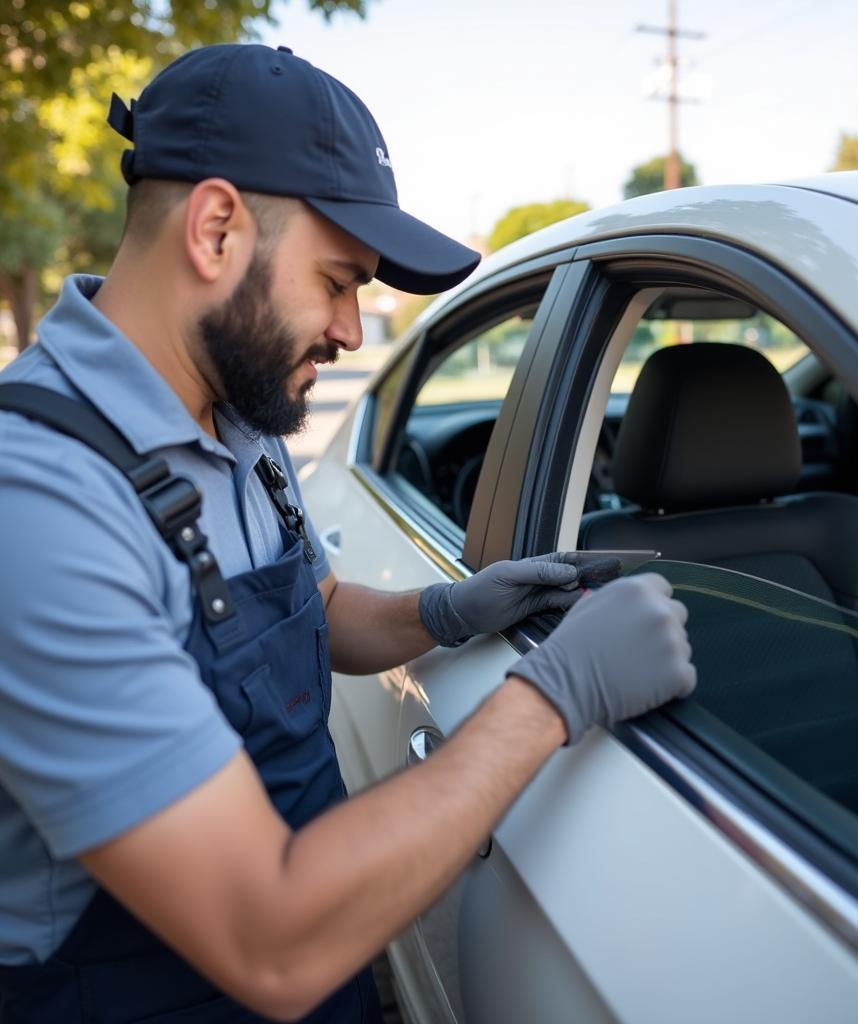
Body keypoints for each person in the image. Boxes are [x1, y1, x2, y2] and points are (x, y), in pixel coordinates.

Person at [0, 44, 696, 1023]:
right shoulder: (39, 502)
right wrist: (555, 693)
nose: (353, 331)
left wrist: (446, 610)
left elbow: (315, 610)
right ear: (214, 230)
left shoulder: (239, 417)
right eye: (338, 281)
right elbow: (266, 933)